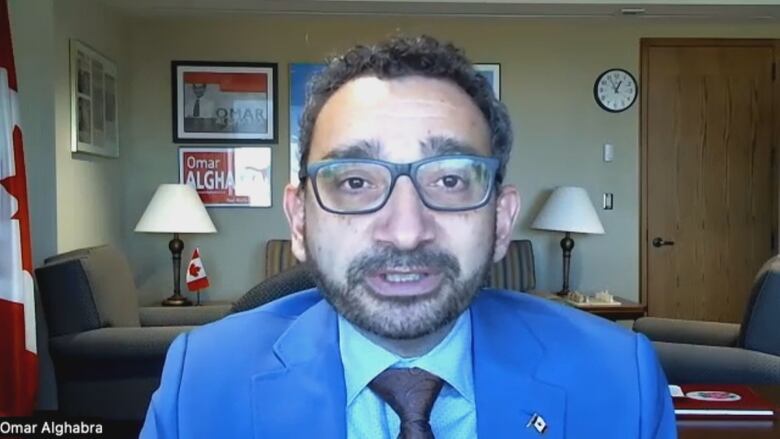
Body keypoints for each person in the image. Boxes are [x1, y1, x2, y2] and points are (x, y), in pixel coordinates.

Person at [141, 36, 676, 438]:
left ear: (502, 221)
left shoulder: (619, 380)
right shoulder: (203, 382)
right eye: (354, 181)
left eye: (448, 180)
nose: (404, 231)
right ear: (300, 221)